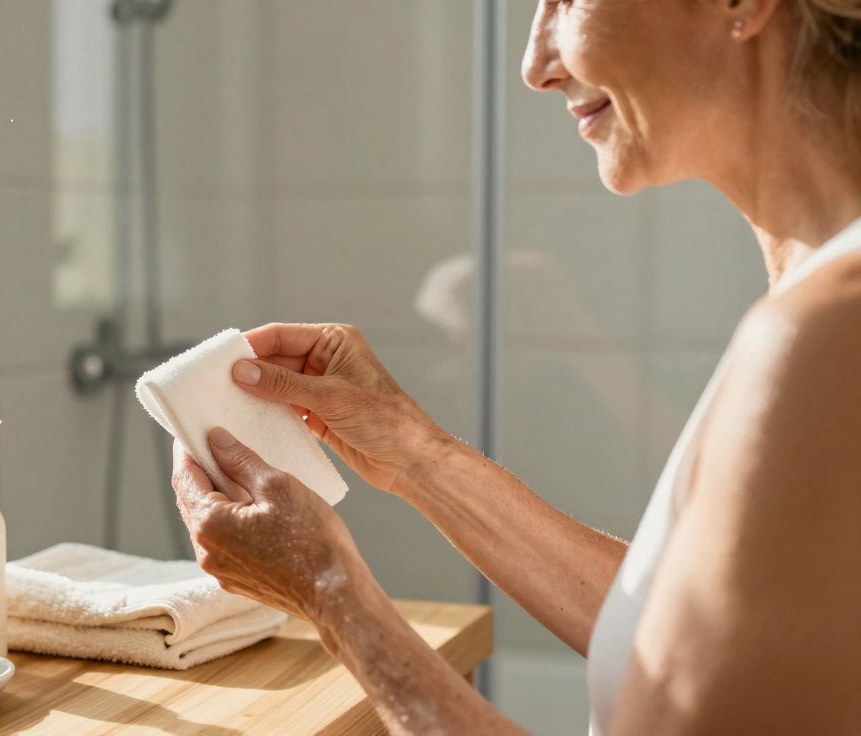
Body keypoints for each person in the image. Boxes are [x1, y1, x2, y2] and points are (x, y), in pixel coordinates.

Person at [169, 1, 861, 733]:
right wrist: (416, 455)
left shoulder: (826, 335)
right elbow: (689, 646)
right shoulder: (821, 301)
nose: (534, 65)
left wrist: (329, 589)